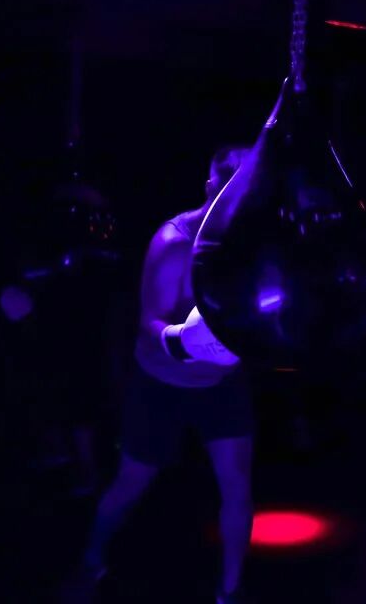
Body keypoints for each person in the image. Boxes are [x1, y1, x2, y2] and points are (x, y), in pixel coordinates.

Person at [65, 147, 254, 604]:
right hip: (161, 384)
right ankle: (90, 561)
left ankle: (230, 592)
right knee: (130, 483)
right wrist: (185, 341)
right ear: (211, 188)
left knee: (236, 484)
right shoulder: (174, 243)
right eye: (229, 191)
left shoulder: (253, 240)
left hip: (221, 386)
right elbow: (149, 325)